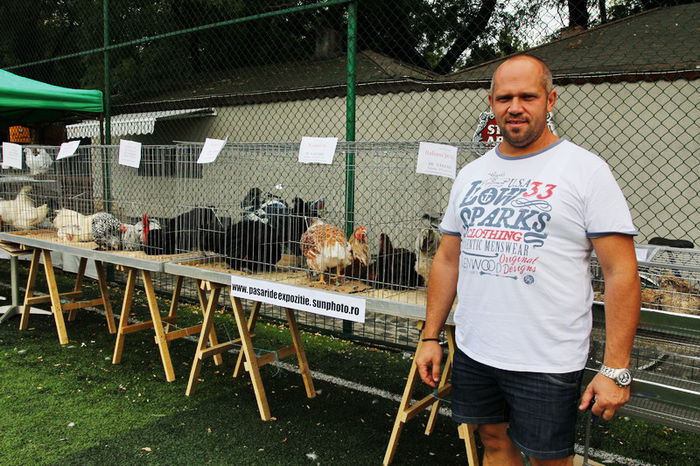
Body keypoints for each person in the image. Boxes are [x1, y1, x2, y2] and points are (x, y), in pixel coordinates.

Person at [416, 54, 640, 466]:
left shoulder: (586, 171)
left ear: (550, 100)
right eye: (504, 97)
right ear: (492, 102)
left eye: (527, 96)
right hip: (476, 349)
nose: (514, 107)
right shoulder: (471, 175)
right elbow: (447, 260)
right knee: (493, 442)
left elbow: (621, 271)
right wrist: (430, 336)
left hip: (547, 358)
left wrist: (616, 368)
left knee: (548, 460)